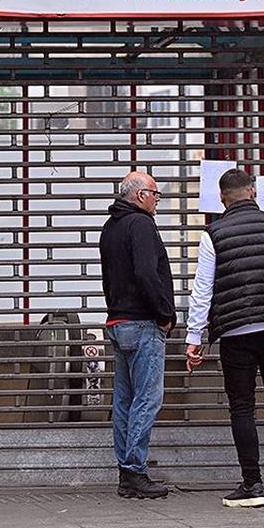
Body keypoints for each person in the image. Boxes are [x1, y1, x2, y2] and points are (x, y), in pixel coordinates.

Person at [185, 168, 264, 508]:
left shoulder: (212, 234)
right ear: (253, 192)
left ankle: (253, 486)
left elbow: (202, 291)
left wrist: (193, 337)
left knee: (241, 407)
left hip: (235, 332)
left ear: (223, 198)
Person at [99, 171, 175, 499]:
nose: (158, 200)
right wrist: (164, 314)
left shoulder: (111, 227)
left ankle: (126, 471)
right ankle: (134, 470)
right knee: (148, 397)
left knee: (125, 400)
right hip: (142, 323)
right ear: (141, 195)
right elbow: (147, 272)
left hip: (118, 321)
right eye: (156, 194)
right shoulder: (141, 225)